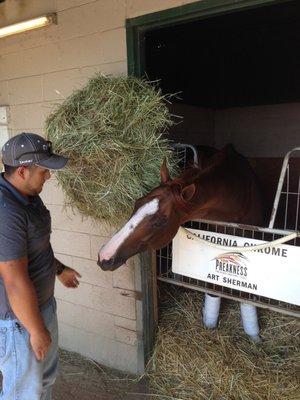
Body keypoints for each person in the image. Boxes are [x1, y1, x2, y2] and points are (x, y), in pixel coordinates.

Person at [0, 132, 81, 400]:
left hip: (41, 307)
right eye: (43, 171)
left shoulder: (29, 196)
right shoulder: (7, 212)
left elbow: (37, 247)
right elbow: (13, 279)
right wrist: (35, 330)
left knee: (44, 382)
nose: (49, 176)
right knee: (23, 393)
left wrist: (59, 270)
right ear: (22, 171)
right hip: (19, 322)